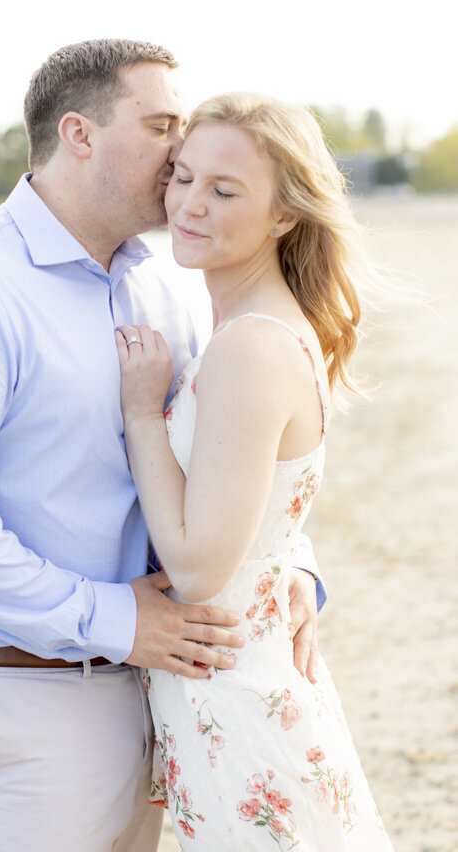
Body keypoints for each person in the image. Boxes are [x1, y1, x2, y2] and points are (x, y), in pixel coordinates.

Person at [0, 41, 324, 852]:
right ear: (78, 134)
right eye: (160, 127)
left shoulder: (159, 284)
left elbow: (216, 461)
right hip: (17, 698)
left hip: (151, 685)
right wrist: (114, 621)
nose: (180, 150)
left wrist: (290, 567)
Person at [116, 92, 394, 850]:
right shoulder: (251, 327)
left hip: (237, 694)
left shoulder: (249, 347)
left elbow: (200, 568)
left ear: (282, 216)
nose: (189, 204)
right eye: (183, 177)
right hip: (241, 676)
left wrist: (143, 413)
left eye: (224, 190)